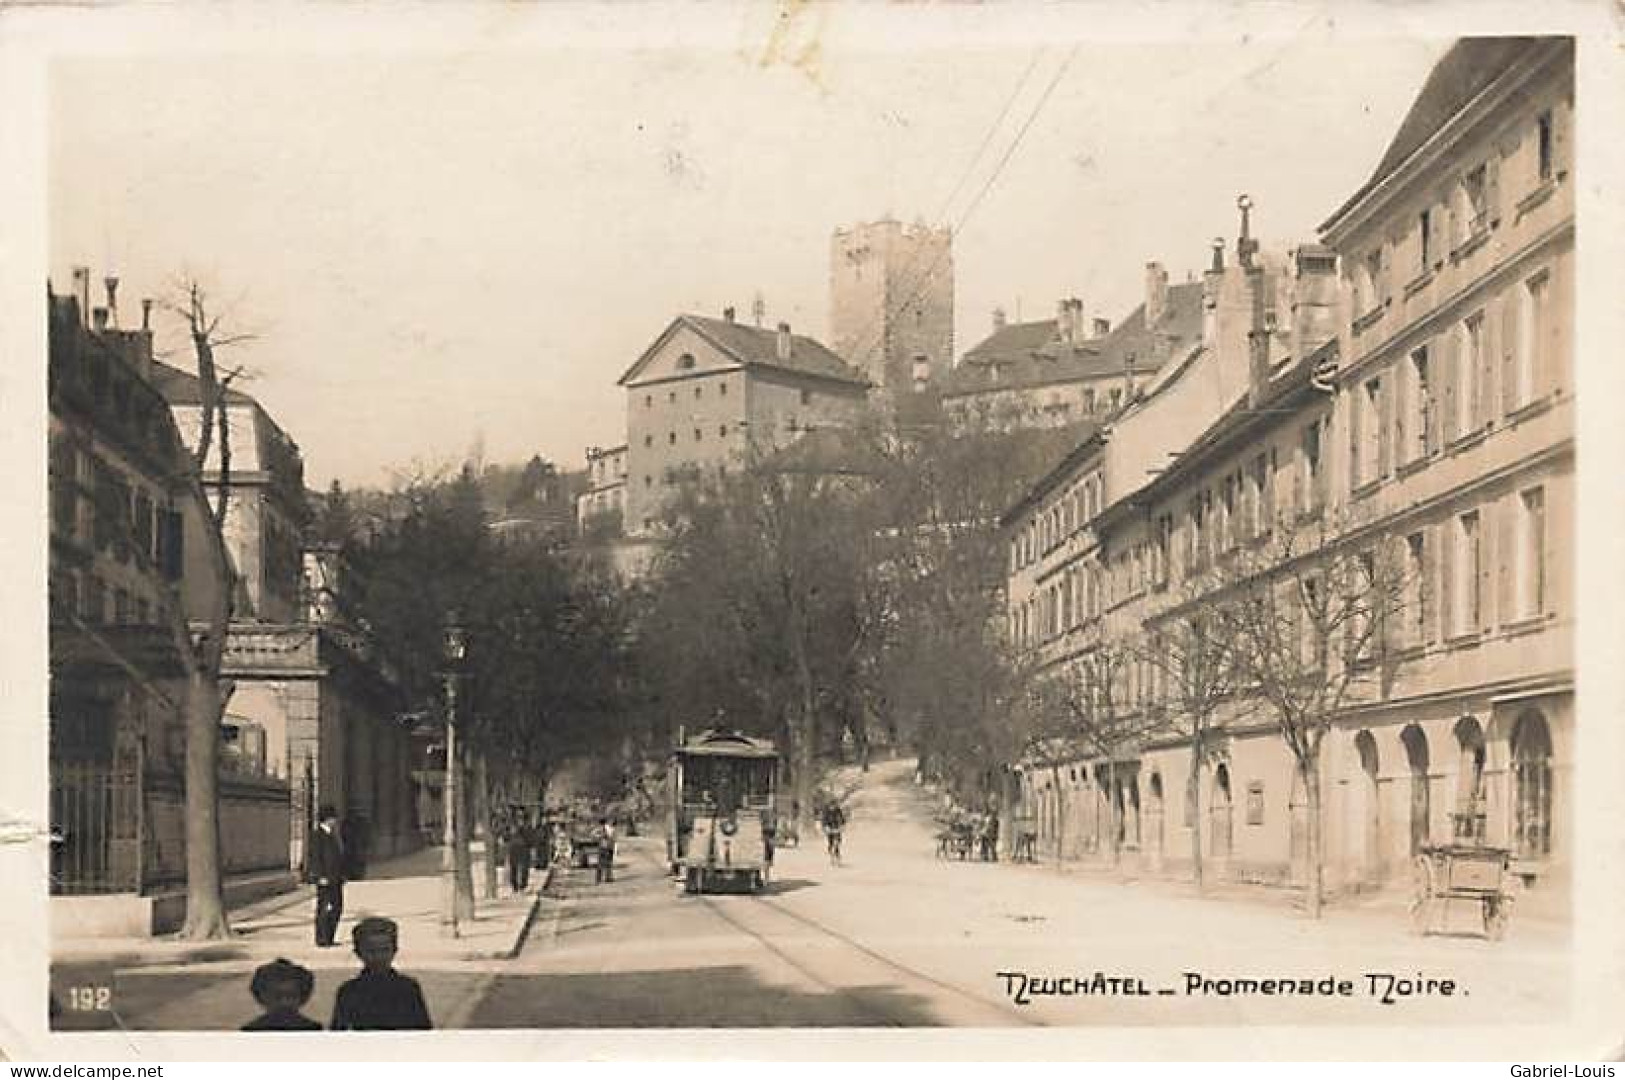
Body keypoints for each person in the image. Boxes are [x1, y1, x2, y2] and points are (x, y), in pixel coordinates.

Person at [330, 917, 433, 1030]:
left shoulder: (408, 989)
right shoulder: (349, 992)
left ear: (394, 950)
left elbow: (423, 1031)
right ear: (358, 953)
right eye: (372, 951)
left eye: (384, 950)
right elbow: (338, 1035)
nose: (379, 957)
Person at [242, 958, 321, 1032]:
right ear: (261, 997)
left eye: (291, 996)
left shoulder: (314, 1029)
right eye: (277, 996)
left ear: (303, 997)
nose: (284, 1002)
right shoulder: (250, 1031)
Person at [308, 806, 346, 948]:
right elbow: (315, 857)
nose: (335, 821)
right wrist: (319, 876)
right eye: (333, 818)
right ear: (328, 819)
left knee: (337, 907)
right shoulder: (317, 835)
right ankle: (322, 939)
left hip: (336, 878)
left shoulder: (333, 835)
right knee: (323, 908)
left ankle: (330, 936)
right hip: (325, 878)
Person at [504, 807, 531, 893]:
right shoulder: (511, 825)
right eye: (518, 815)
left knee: (524, 868)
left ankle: (522, 886)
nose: (520, 817)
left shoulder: (527, 825)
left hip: (524, 847)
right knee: (514, 867)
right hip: (514, 847)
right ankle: (515, 886)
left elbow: (530, 835)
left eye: (521, 815)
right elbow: (506, 836)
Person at [594, 817, 617, 884]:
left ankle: (601, 878)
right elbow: (613, 839)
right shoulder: (608, 829)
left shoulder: (608, 828)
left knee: (604, 863)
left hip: (605, 847)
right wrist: (601, 836)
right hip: (606, 847)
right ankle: (604, 878)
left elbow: (613, 839)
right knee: (606, 863)